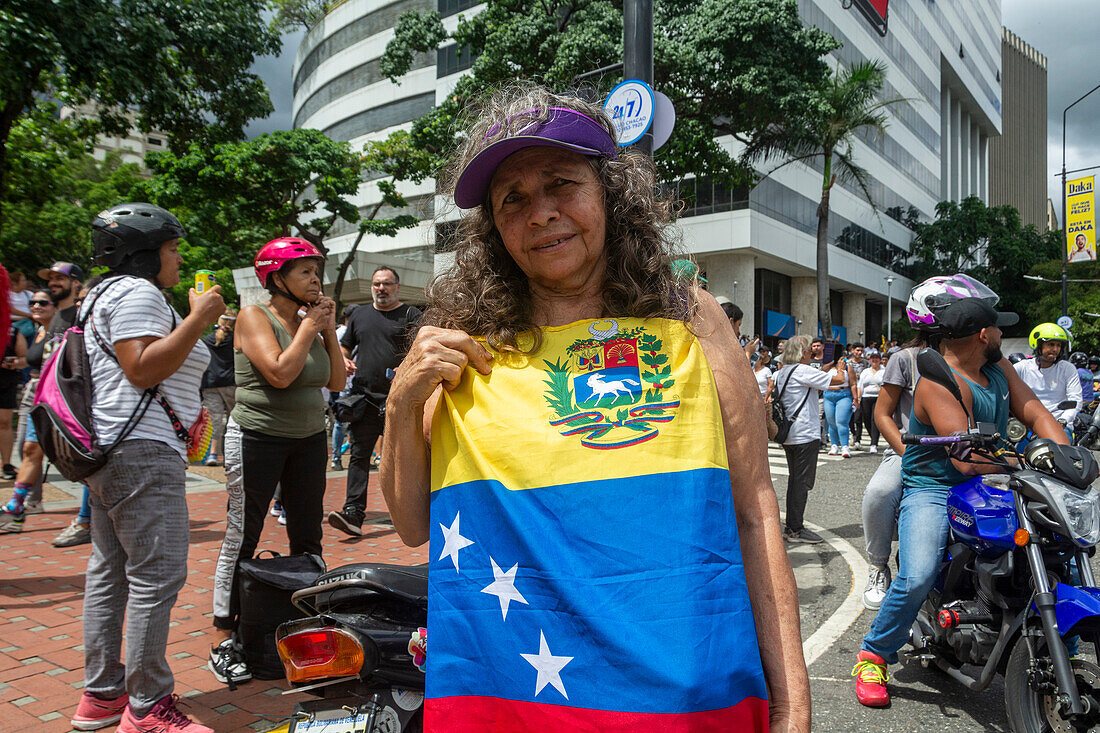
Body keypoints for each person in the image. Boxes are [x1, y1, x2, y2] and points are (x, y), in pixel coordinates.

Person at [380, 87, 807, 730]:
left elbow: (754, 514)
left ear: (610, 190)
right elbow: (414, 524)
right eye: (513, 198)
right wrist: (400, 402)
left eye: (562, 183)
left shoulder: (689, 320)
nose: (541, 212)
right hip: (518, 702)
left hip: (685, 698)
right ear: (493, 226)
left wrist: (793, 707)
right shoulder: (467, 344)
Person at [853, 295, 1067, 708]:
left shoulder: (997, 366)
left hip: (1000, 479)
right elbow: (967, 461)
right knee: (918, 573)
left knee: (1053, 544)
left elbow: (1037, 413)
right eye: (999, 328)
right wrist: (1028, 459)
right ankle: (874, 653)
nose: (1004, 335)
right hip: (934, 487)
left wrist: (1068, 457)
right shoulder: (938, 382)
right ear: (984, 334)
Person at [69, 203, 223, 733]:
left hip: (114, 450)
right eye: (173, 249)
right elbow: (143, 367)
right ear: (146, 252)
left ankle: (102, 697)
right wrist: (200, 318)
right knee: (157, 576)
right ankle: (148, 707)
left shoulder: (98, 296)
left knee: (110, 573)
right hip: (143, 451)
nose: (179, 258)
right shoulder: (137, 292)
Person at [208, 237, 345, 684]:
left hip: (307, 439)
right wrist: (309, 328)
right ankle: (225, 636)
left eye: (315, 270)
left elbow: (338, 380)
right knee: (243, 531)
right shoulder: (254, 316)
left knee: (307, 532)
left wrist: (326, 328)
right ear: (276, 278)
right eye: (304, 271)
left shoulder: (310, 323)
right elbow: (281, 374)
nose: (315, 279)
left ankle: (308, 620)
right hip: (256, 437)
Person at [327, 266, 421, 537]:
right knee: (358, 456)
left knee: (404, 460)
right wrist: (343, 358)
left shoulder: (412, 315)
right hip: (363, 400)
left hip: (399, 401)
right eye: (377, 283)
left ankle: (409, 515)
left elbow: (418, 350)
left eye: (387, 284)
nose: (382, 288)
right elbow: (345, 345)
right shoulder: (359, 315)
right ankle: (353, 514)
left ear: (397, 287)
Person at [774, 334, 849, 543]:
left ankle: (792, 525)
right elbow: (839, 380)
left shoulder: (783, 372)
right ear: (801, 353)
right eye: (809, 351)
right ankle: (795, 529)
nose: (812, 354)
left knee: (795, 480)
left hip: (789, 434)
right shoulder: (802, 371)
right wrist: (841, 366)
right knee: (802, 483)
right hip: (805, 433)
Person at [1014, 323, 1080, 440]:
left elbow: (1075, 399)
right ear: (1038, 345)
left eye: (1058, 345)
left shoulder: (1067, 368)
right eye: (1051, 344)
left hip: (1059, 424)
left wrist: (1063, 420)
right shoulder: (1022, 367)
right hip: (1027, 426)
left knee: (1061, 455)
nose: (1055, 349)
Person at [200, 310, 238, 466]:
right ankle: (232, 455)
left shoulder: (207, 340)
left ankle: (212, 454)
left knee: (214, 421)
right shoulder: (235, 340)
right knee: (234, 421)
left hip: (211, 384)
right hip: (231, 383)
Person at [0, 323, 27, 479]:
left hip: (5, 380)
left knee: (4, 422)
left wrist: (13, 362)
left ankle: (7, 464)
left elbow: (25, 357)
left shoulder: (12, 331)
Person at [856, 349, 884, 454]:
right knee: (867, 420)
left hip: (878, 397)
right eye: (873, 358)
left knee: (874, 420)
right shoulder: (865, 372)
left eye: (877, 358)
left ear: (880, 360)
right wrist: (858, 398)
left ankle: (873, 443)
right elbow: (860, 386)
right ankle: (873, 436)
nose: (875, 360)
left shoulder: (884, 371)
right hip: (866, 397)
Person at [7, 271, 35, 341]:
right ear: (14, 282)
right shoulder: (7, 294)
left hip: (28, 325)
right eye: (23, 280)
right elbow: (10, 309)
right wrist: (28, 315)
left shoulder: (28, 294)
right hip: (12, 325)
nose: (25, 282)